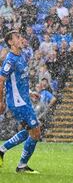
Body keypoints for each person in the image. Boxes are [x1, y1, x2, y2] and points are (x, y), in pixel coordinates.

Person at [0, 30, 41, 173]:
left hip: (24, 100)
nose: (21, 39)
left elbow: (19, 80)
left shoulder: (21, 56)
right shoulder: (10, 60)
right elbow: (1, 80)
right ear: (11, 42)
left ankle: (2, 150)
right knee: (35, 132)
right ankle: (21, 165)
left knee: (28, 131)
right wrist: (1, 102)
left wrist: (30, 92)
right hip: (18, 103)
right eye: (17, 37)